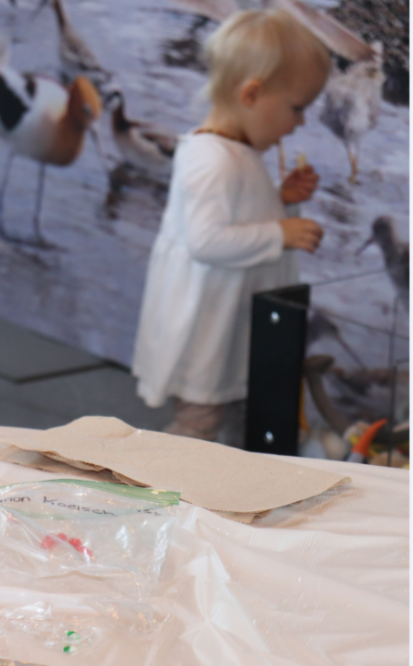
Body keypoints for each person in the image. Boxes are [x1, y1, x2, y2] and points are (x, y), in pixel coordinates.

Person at [132, 9, 329, 444]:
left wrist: (281, 201)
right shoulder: (211, 159)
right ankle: (168, 493)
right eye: (297, 108)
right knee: (198, 424)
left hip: (232, 324)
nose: (301, 123)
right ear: (252, 94)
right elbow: (206, 240)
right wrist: (280, 233)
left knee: (239, 419)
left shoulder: (238, 152)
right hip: (208, 330)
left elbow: (240, 220)